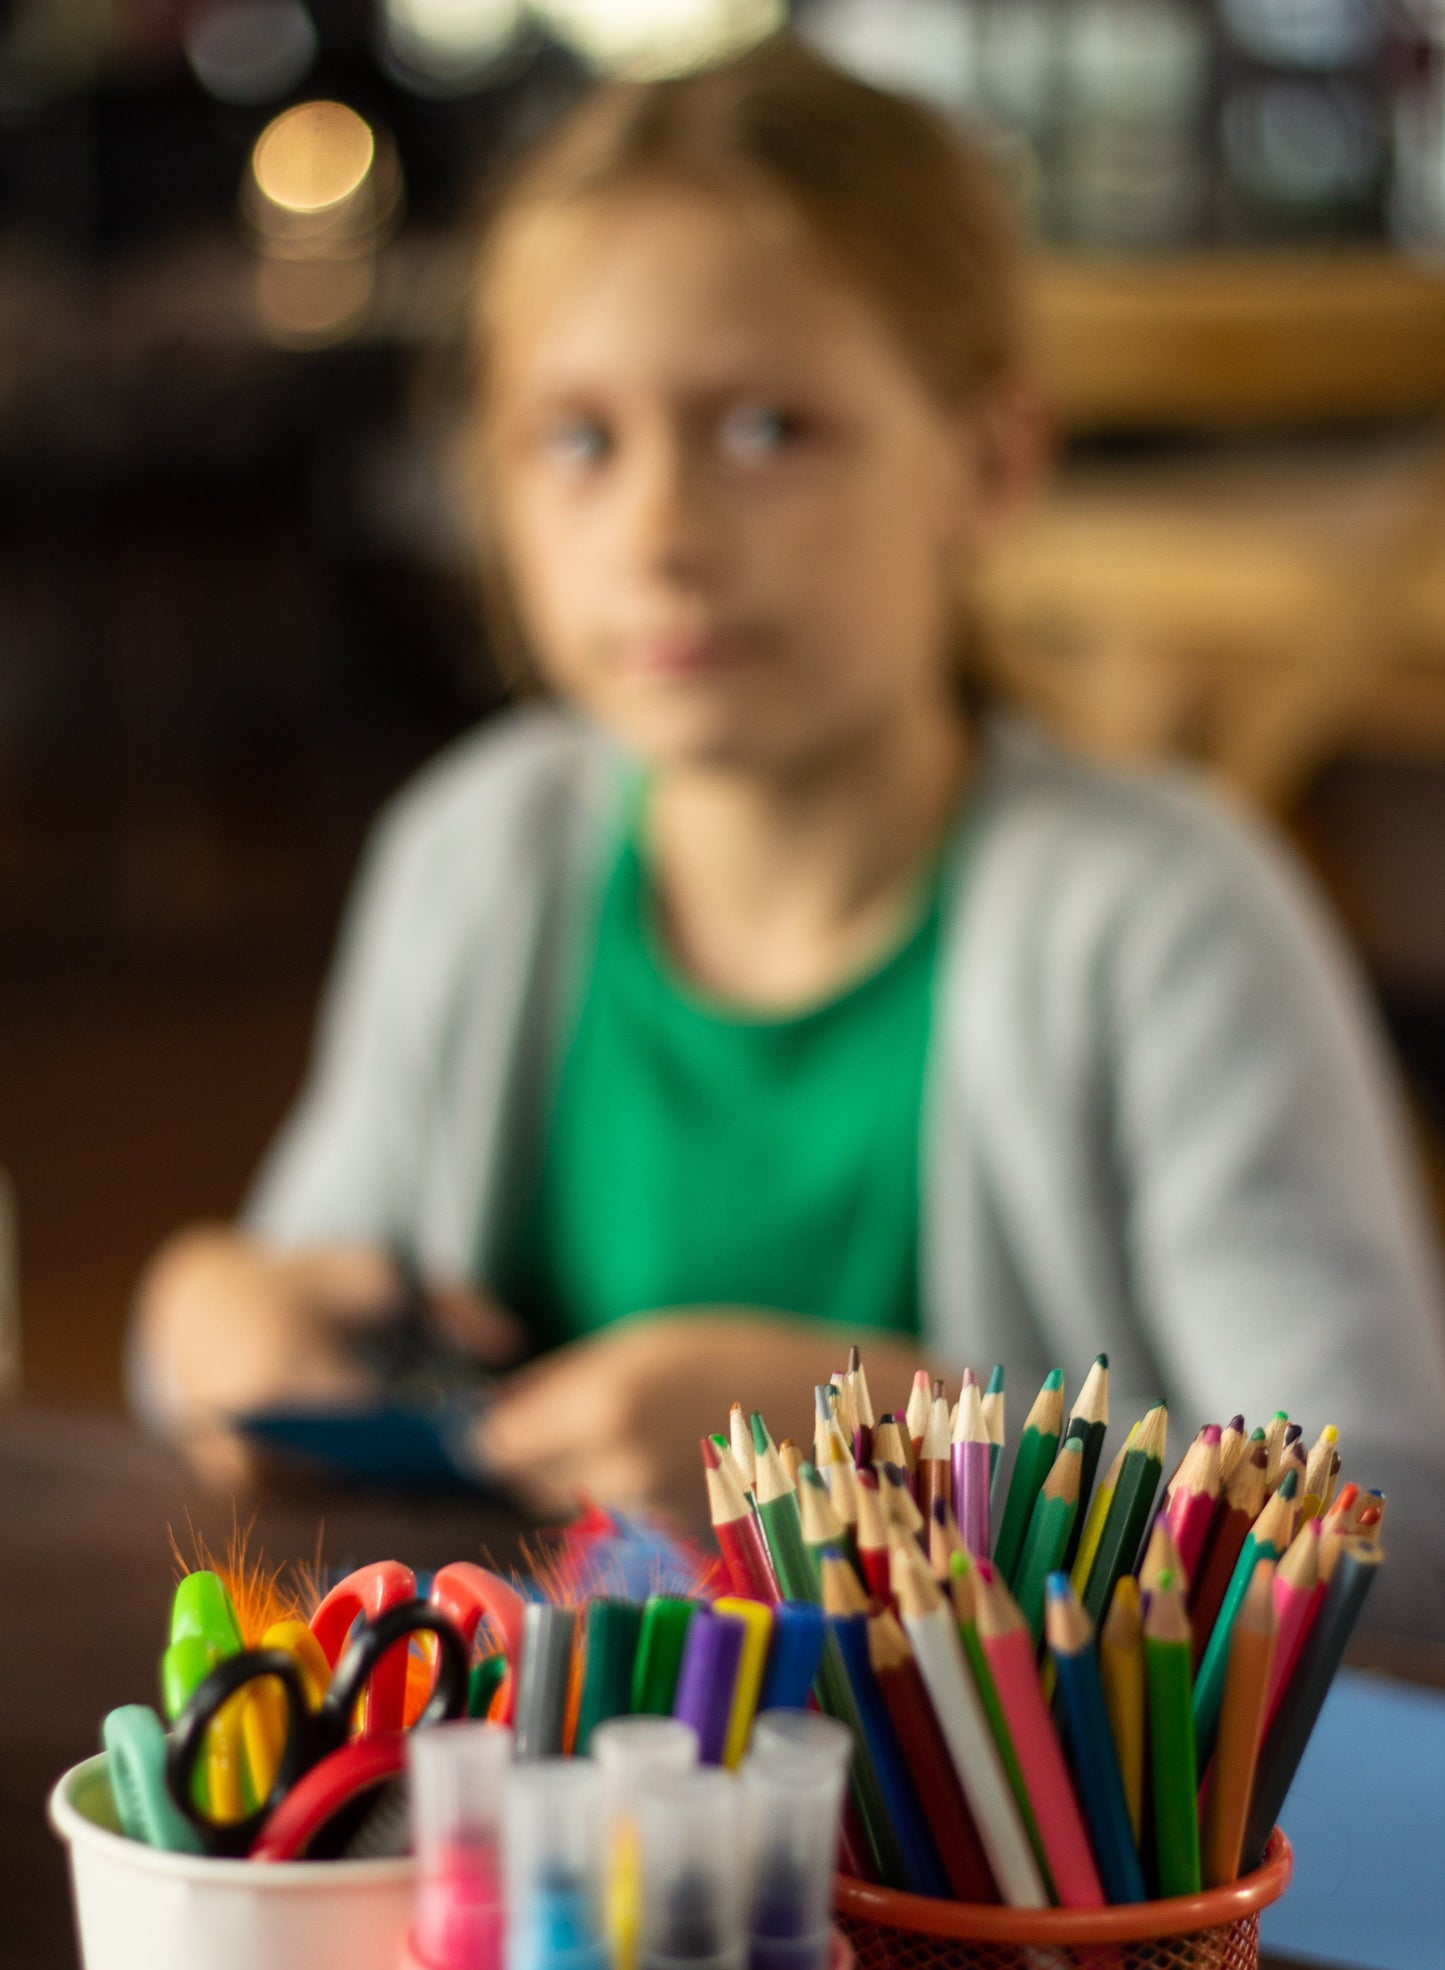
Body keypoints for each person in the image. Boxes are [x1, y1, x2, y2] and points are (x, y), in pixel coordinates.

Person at [132, 36, 1445, 1629]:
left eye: (765, 432)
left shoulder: (1165, 917)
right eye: (577, 440)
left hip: (994, 1880)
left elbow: (1397, 1534)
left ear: (986, 465)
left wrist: (888, 1460)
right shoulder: (475, 856)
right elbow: (274, 1324)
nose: (659, 533)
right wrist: (198, 1316)